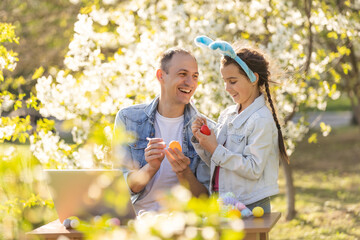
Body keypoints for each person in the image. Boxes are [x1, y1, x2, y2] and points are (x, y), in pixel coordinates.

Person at [191, 38, 289, 213]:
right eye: (225, 81)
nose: (227, 87)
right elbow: (218, 162)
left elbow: (253, 169)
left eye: (233, 81)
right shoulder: (228, 114)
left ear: (253, 78)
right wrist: (203, 140)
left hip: (251, 204)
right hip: (225, 202)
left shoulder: (261, 120)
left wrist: (215, 149)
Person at [114, 48, 211, 215]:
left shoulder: (205, 129)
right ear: (161, 76)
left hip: (184, 222)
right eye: (182, 74)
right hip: (137, 221)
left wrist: (184, 172)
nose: (190, 82)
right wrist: (150, 168)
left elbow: (205, 199)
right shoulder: (128, 119)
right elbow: (120, 189)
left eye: (195, 76)